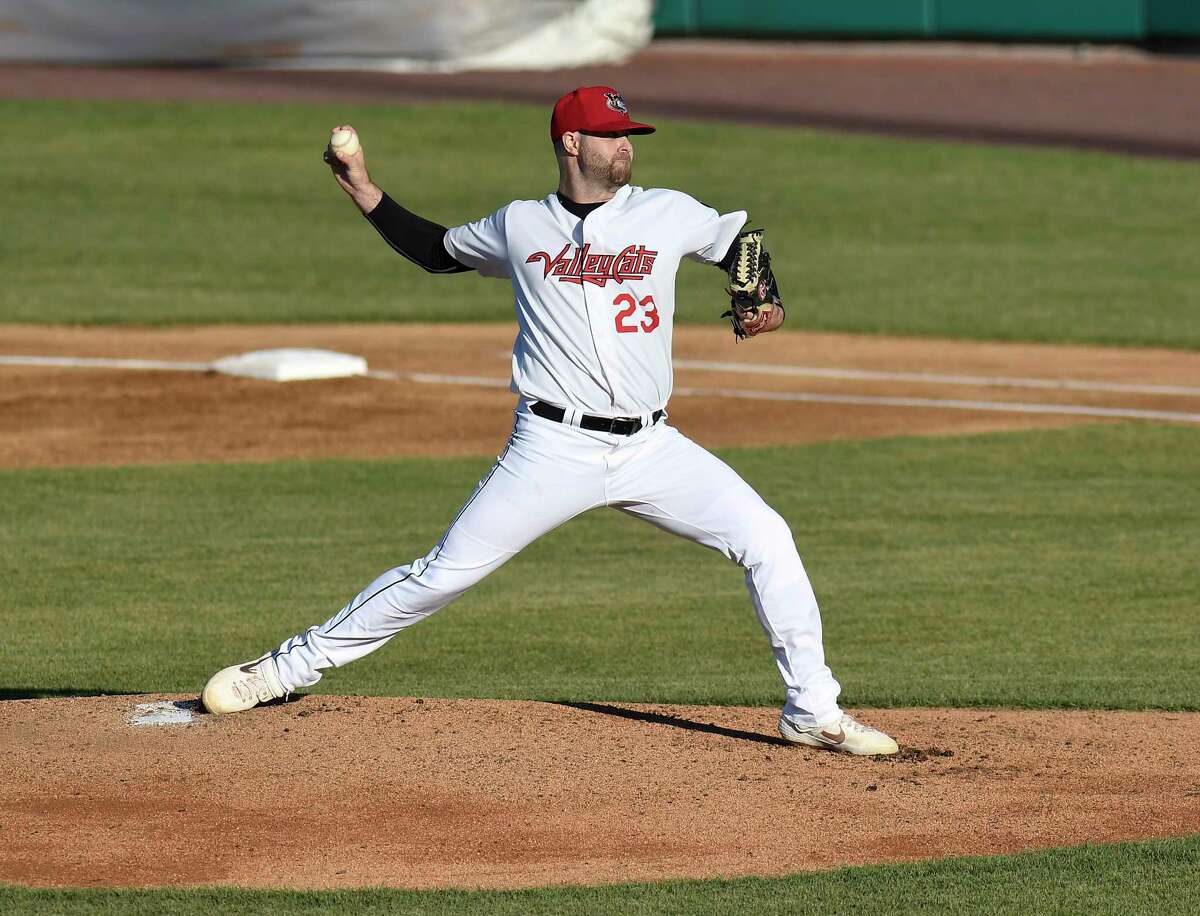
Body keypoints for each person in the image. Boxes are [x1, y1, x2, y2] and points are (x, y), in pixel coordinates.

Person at [201, 86, 899, 756]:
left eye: (628, 136)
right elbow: (435, 250)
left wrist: (762, 295)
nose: (625, 147)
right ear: (571, 141)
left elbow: (740, 239)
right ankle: (280, 672)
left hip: (652, 447)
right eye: (611, 136)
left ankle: (813, 712)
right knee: (441, 575)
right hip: (551, 447)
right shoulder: (519, 225)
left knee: (767, 538)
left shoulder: (667, 211)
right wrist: (358, 182)